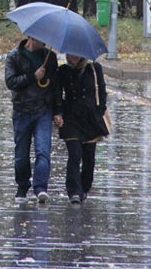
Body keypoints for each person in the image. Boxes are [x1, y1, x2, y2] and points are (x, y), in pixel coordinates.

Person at [5, 37, 63, 204]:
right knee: (21, 155)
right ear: (31, 37)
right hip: (22, 111)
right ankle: (22, 187)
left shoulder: (49, 57)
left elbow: (55, 86)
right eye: (40, 38)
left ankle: (41, 188)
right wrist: (33, 76)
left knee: (43, 151)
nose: (44, 41)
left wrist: (58, 111)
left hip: (43, 110)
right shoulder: (14, 56)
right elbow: (11, 82)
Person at [56, 54, 109, 204]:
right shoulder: (63, 71)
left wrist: (100, 110)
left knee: (89, 158)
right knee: (74, 154)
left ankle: (84, 187)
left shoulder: (94, 68)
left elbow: (102, 91)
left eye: (76, 54)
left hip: (90, 118)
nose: (72, 57)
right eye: (70, 54)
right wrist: (58, 113)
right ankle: (73, 191)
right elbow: (58, 95)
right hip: (71, 118)